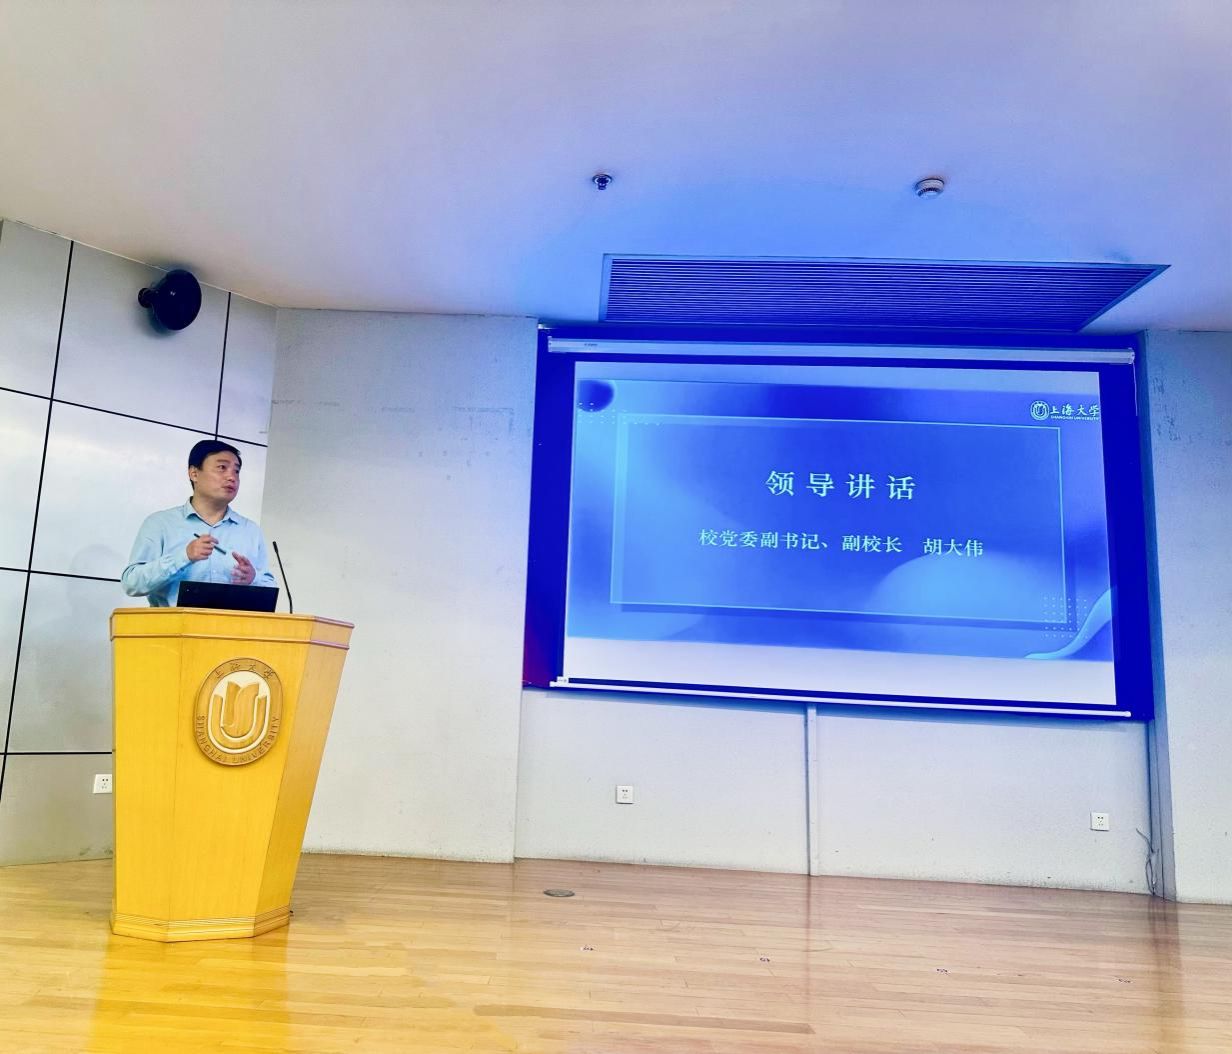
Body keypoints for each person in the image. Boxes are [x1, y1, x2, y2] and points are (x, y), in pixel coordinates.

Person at [122, 439, 277, 606]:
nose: (232, 477)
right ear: (194, 473)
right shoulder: (160, 524)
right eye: (222, 467)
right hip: (172, 622)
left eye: (237, 471)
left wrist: (253, 579)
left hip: (232, 623)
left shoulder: (250, 530)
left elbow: (270, 586)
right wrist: (183, 556)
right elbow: (131, 583)